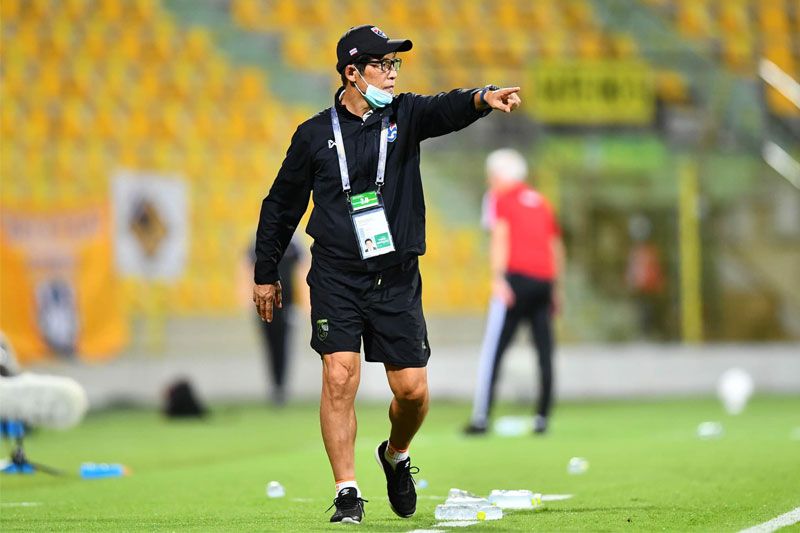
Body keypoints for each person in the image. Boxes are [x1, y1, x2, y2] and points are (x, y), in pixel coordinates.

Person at [252, 25, 521, 524]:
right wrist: (265, 271)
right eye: (382, 64)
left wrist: (482, 98)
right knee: (339, 375)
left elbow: (445, 108)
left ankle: (395, 456)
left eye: (395, 64)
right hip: (336, 274)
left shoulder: (405, 115)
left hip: (395, 275)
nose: (392, 73)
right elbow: (281, 205)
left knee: (412, 391)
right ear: (352, 73)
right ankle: (347, 491)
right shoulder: (313, 135)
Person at [464, 149, 564, 436]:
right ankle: (542, 417)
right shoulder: (541, 202)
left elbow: (500, 237)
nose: (489, 181)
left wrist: (498, 279)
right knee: (544, 351)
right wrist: (556, 288)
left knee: (494, 350)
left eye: (492, 176)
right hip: (544, 282)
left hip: (515, 280)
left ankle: (481, 417)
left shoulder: (501, 199)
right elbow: (556, 246)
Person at [248, 236, 307, 406]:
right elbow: (248, 267)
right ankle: (274, 384)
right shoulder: (259, 241)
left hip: (286, 304)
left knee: (284, 344)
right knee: (269, 344)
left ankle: (281, 385)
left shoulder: (294, 243)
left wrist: (304, 303)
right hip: (265, 303)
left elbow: (303, 270)